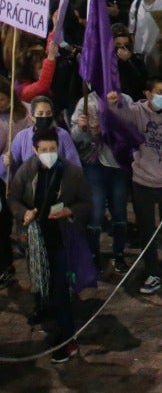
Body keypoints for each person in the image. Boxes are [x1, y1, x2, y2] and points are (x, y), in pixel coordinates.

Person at [5, 126, 92, 362]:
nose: (49, 153)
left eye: (52, 149)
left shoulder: (72, 173)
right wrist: (23, 213)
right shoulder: (27, 170)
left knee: (60, 289)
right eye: (43, 149)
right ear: (35, 150)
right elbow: (13, 197)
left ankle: (68, 340)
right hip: (35, 240)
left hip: (61, 238)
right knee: (40, 281)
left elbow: (86, 203)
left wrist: (68, 211)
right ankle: (46, 314)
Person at [103, 78, 162, 295]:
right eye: (159, 91)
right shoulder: (137, 111)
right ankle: (152, 271)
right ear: (149, 94)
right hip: (143, 181)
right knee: (146, 229)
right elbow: (121, 119)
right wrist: (113, 104)